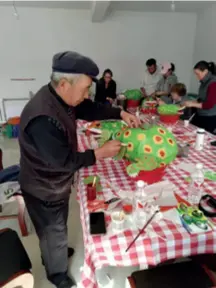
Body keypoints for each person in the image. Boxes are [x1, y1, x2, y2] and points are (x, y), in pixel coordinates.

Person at [18, 51, 139, 288]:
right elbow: (62, 161)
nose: (87, 95)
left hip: (51, 182)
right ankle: (58, 275)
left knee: (55, 230)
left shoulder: (61, 97)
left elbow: (90, 109)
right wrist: (99, 153)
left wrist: (121, 113)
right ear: (64, 84)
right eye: (85, 89)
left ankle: (55, 254)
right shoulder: (43, 117)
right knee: (52, 229)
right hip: (44, 187)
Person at [183, 61, 216, 134]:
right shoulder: (203, 82)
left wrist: (192, 104)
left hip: (209, 117)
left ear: (205, 71)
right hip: (200, 114)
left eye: (198, 74)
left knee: (203, 138)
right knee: (191, 131)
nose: (197, 77)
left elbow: (209, 104)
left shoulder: (213, 83)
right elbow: (200, 98)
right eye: (196, 74)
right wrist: (192, 102)